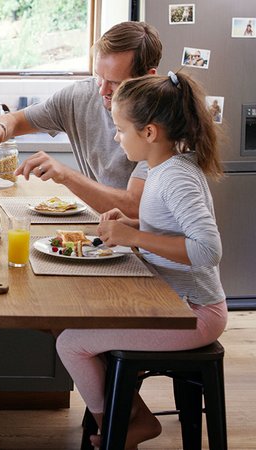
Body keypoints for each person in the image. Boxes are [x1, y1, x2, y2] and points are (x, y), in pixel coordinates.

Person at [56, 72, 228, 449]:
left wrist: (133, 237)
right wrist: (133, 224)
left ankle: (118, 428)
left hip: (195, 314)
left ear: (149, 132)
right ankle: (131, 416)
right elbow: (169, 228)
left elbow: (207, 249)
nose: (117, 138)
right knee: (78, 320)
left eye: (120, 130)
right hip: (172, 305)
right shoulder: (161, 169)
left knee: (70, 343)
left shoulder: (175, 177)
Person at [0, 21, 163, 218]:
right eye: (99, 77)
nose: (102, 90)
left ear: (148, 77)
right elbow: (18, 120)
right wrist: (1, 126)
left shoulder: (164, 122)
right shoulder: (81, 96)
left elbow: (134, 207)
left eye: (115, 83)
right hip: (102, 225)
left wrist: (65, 175)